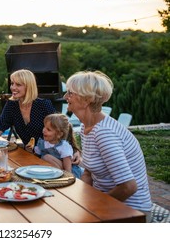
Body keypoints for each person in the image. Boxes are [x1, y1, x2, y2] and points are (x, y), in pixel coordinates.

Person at [64, 70, 152, 221]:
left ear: (87, 100)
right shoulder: (87, 127)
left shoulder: (104, 133)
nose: (66, 97)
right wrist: (81, 198)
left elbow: (128, 187)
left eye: (70, 93)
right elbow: (88, 172)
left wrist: (95, 206)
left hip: (130, 210)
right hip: (105, 201)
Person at [0, 69, 81, 164]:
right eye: (12, 83)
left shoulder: (43, 105)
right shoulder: (11, 106)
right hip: (31, 155)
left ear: (29, 86)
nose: (13, 88)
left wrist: (75, 150)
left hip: (53, 155)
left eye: (18, 84)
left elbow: (63, 128)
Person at [34, 113, 82, 178]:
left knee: (47, 157)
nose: (44, 130)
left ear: (59, 134)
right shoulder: (42, 143)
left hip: (67, 173)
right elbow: (36, 157)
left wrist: (68, 177)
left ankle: (61, 177)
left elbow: (68, 169)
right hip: (50, 172)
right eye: (44, 127)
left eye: (48, 129)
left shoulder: (63, 146)